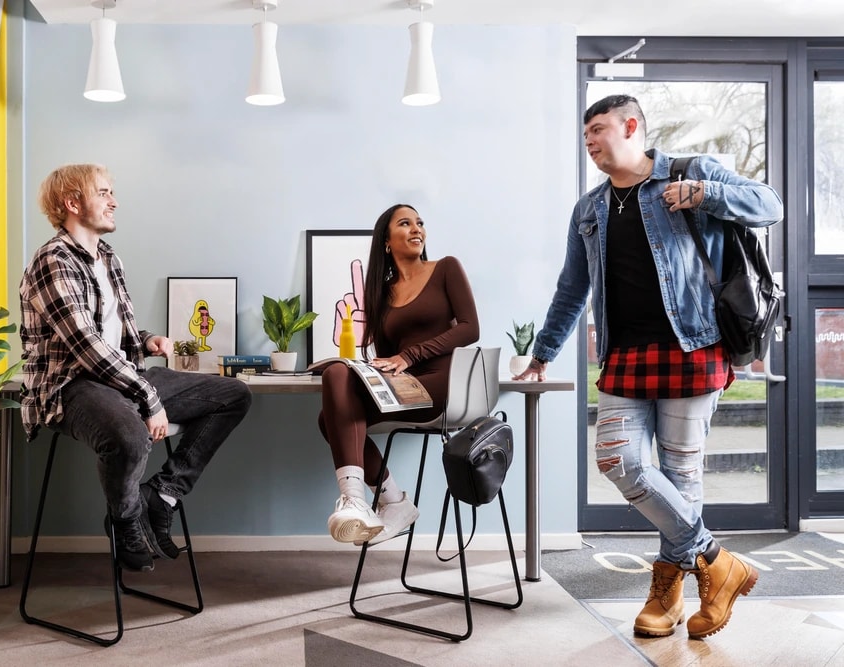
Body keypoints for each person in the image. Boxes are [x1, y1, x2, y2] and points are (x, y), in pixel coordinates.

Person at [515, 95, 783, 639]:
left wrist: (706, 195)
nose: (588, 140)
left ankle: (667, 595)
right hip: (623, 355)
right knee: (618, 460)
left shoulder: (689, 174)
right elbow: (573, 288)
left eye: (597, 129)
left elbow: (769, 204)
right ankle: (715, 559)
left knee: (682, 476)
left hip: (694, 346)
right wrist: (543, 352)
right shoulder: (589, 208)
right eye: (585, 133)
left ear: (631, 125)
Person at [19, 163, 252, 572]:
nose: (115, 201)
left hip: (122, 378)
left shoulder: (108, 258)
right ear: (73, 203)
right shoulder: (52, 260)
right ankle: (125, 518)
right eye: (104, 193)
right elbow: (86, 345)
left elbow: (103, 326)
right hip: (72, 385)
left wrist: (144, 339)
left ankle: (160, 497)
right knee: (130, 436)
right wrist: (148, 399)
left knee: (233, 395)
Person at [317, 204, 480, 545]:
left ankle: (382, 501)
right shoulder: (381, 294)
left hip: (441, 382)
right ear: (387, 242)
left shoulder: (445, 268)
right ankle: (369, 500)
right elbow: (386, 356)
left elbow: (470, 328)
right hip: (401, 386)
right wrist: (367, 367)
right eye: (405, 223)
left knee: (332, 417)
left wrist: (411, 355)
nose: (416, 228)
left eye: (419, 223)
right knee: (334, 381)